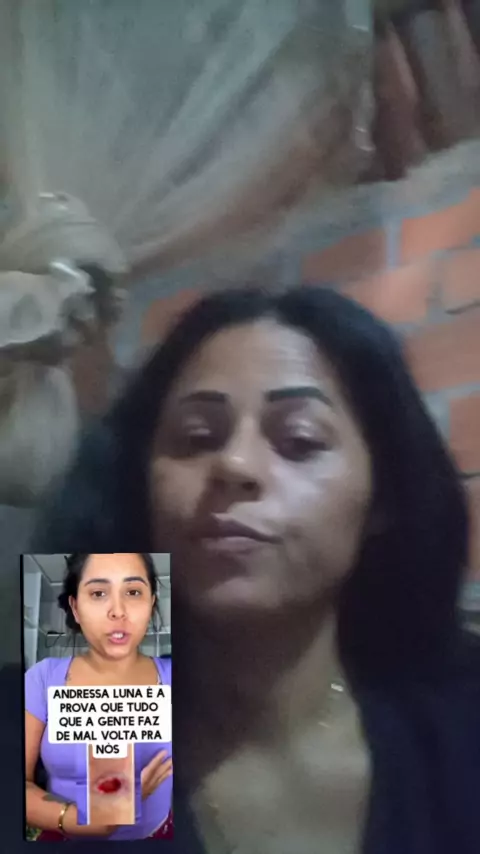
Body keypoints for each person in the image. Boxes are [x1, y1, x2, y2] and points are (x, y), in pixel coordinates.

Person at [34, 285, 480, 854]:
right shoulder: (76, 714)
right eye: (196, 438)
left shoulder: (458, 725)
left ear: (382, 500)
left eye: (299, 440)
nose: (234, 464)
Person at [24, 552, 173, 841]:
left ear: (151, 603)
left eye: (133, 592)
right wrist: (86, 821)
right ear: (76, 608)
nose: (118, 611)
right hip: (65, 839)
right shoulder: (42, 678)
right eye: (98, 593)